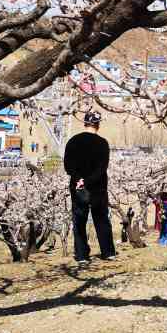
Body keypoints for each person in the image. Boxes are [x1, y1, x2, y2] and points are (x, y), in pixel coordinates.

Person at [63, 110, 117, 265]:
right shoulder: (102, 143)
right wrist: (88, 181)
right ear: (98, 125)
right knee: (101, 219)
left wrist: (79, 180)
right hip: (98, 187)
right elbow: (102, 168)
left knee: (79, 220)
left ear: (84, 123)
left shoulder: (73, 141)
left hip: (77, 187)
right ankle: (108, 252)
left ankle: (81, 255)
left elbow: (68, 166)